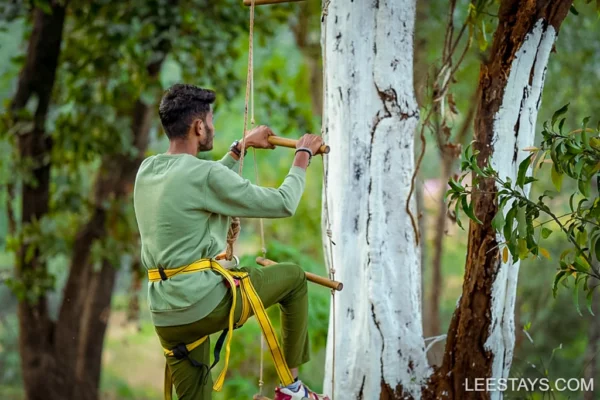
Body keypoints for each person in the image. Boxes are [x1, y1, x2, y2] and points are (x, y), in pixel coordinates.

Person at [133, 83, 330, 400]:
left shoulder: (148, 170)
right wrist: (302, 157)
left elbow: (201, 182)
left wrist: (240, 147)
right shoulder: (203, 175)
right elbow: (283, 203)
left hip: (166, 315)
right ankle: (293, 390)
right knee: (293, 279)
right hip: (201, 304)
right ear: (199, 126)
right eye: (209, 121)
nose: (211, 127)